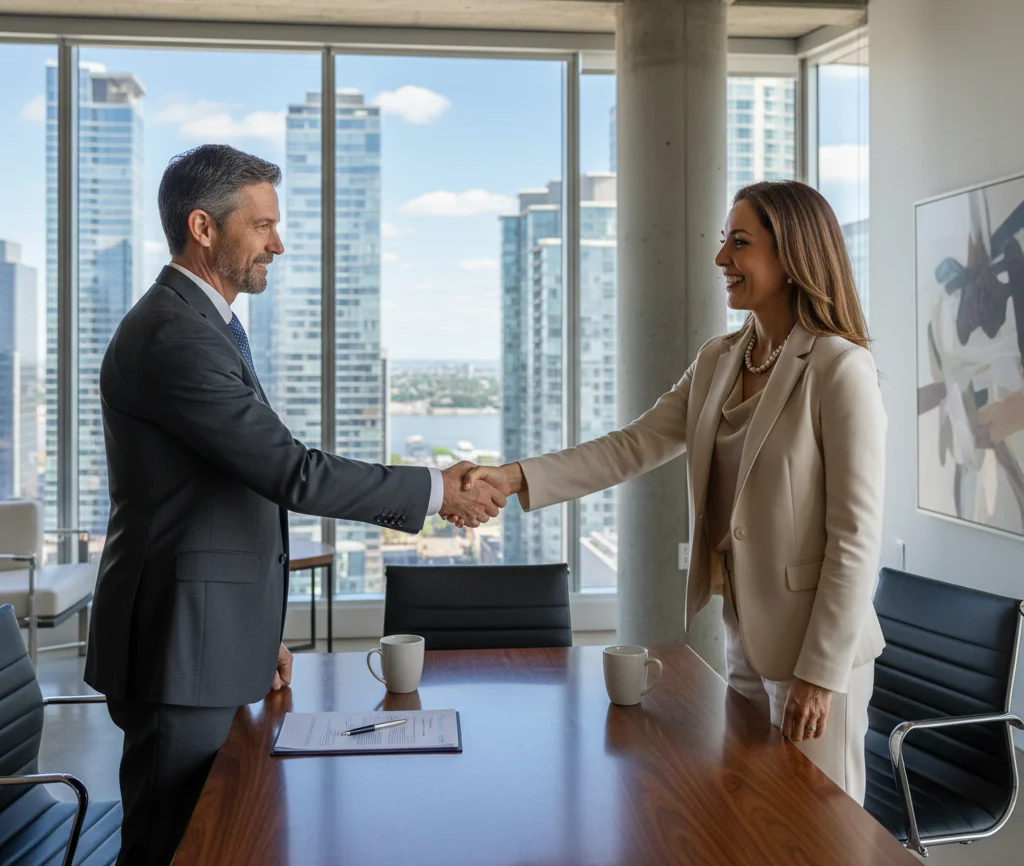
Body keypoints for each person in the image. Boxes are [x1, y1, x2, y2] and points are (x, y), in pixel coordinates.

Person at [85, 144, 505, 865]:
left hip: (202, 638)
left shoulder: (198, 324)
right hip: (176, 649)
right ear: (204, 228)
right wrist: (438, 491)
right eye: (262, 225)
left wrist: (248, 633)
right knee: (173, 845)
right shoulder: (174, 336)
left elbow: (218, 495)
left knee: (223, 834)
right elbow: (290, 471)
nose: (278, 243)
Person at [458, 180, 886, 803]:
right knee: (751, 813)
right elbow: (632, 445)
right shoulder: (719, 360)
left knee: (821, 826)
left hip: (819, 651)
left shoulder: (839, 368)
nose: (721, 260)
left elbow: (855, 538)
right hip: (745, 634)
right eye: (723, 241)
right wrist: (514, 477)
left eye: (740, 243)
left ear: (791, 256)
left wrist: (818, 675)